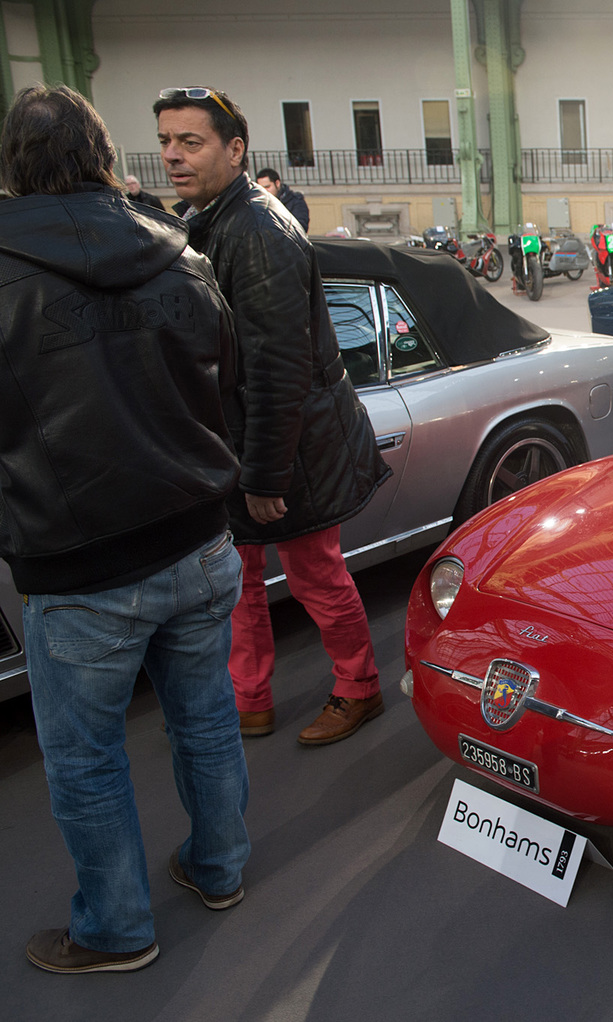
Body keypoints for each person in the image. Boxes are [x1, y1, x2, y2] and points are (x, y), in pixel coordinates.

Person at [0, 85, 250, 974]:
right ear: (105, 155)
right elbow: (223, 382)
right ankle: (220, 871)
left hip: (79, 566)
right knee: (208, 719)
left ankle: (114, 929)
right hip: (199, 536)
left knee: (86, 762)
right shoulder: (181, 253)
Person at [155, 87, 390, 745]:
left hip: (286, 449)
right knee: (240, 579)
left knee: (316, 572)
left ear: (235, 150)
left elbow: (279, 369)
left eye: (190, 142)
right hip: (240, 441)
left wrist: (264, 476)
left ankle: (359, 688)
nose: (173, 155)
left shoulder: (258, 232)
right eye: (167, 142)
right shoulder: (207, 218)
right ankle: (250, 698)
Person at [255, 166, 310, 231]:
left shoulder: (295, 201)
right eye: (261, 188)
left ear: (277, 183)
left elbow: (301, 227)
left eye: (267, 187)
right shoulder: (257, 204)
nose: (264, 191)